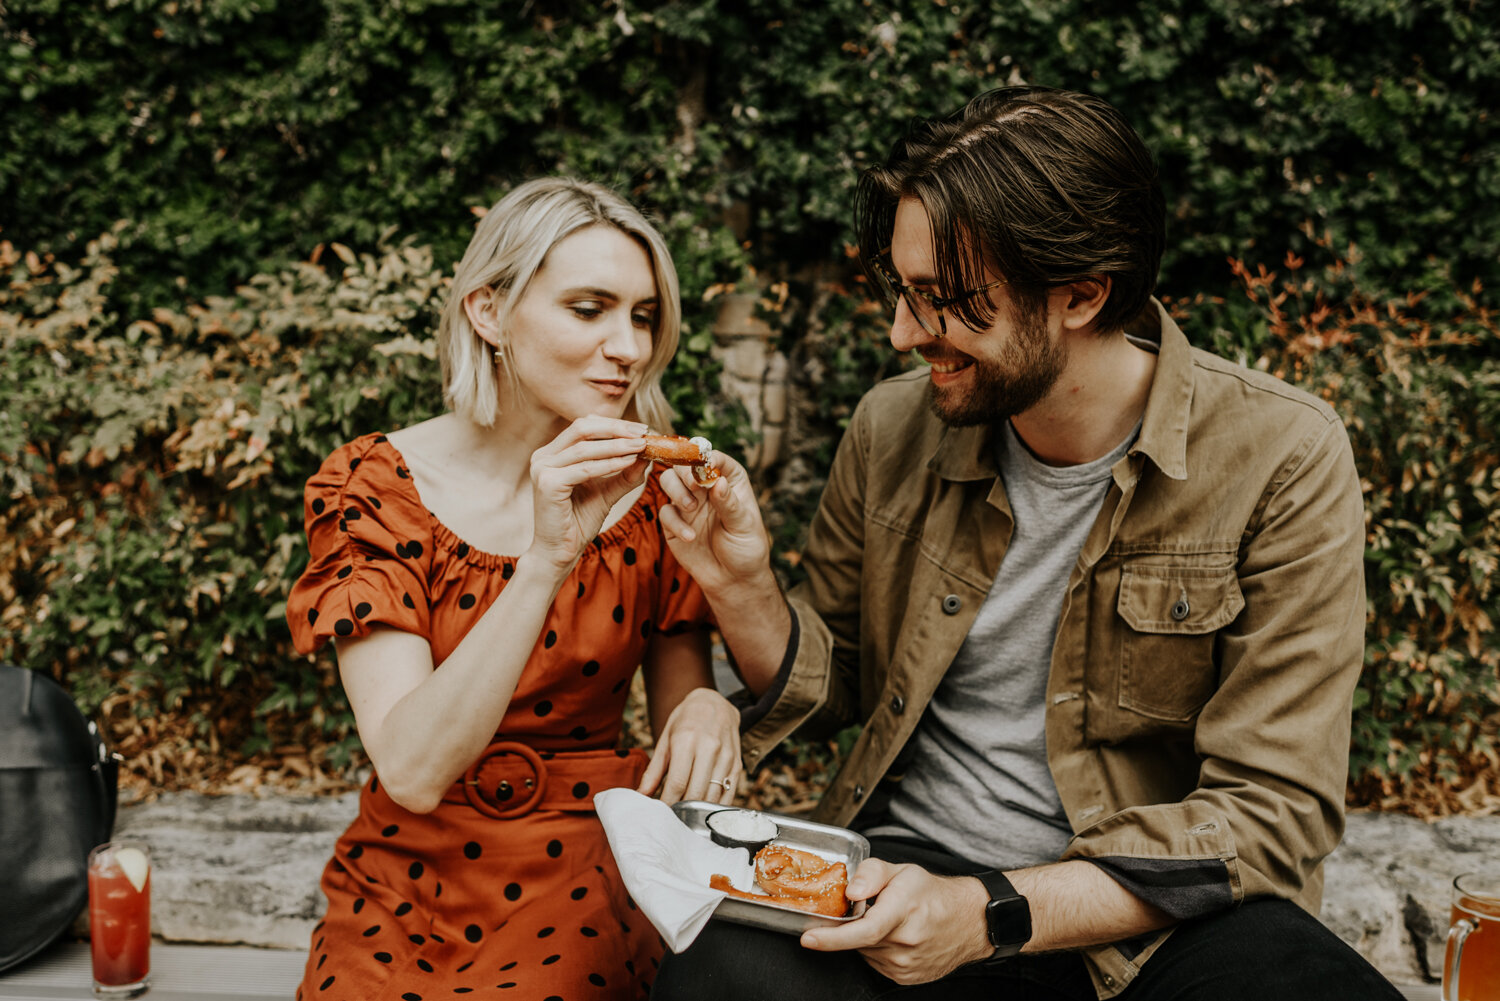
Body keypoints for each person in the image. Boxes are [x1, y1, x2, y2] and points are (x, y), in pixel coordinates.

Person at [649, 87, 1403, 999]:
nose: (902, 332)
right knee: (717, 977)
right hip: (905, 873)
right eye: (902, 292)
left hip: (1147, 914)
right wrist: (742, 583)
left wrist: (994, 912)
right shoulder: (892, 426)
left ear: (1082, 293)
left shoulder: (1282, 454)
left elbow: (1272, 812)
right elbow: (838, 677)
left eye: (943, 301)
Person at [284, 176, 743, 1001]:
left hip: (589, 858)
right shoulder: (375, 487)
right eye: (588, 307)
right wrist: (544, 562)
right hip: (405, 870)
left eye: (642, 316)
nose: (629, 346)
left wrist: (709, 705)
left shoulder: (653, 495)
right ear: (488, 312)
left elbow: (685, 698)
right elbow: (413, 767)